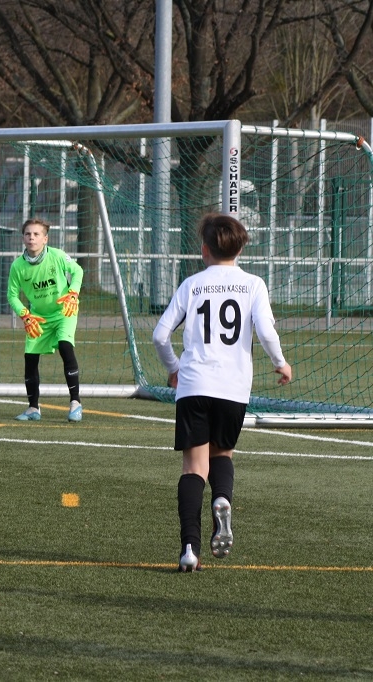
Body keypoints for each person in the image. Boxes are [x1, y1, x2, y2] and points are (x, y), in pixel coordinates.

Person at [152, 213, 292, 572]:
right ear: (240, 249)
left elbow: (160, 334)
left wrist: (174, 368)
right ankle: (223, 499)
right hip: (233, 388)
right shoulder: (253, 284)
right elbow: (266, 331)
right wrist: (280, 362)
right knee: (222, 454)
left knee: (193, 467)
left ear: (204, 250)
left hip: (194, 385)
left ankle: (189, 549)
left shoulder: (192, 284)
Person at [6, 218, 84, 422]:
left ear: (45, 239)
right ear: (23, 238)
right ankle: (33, 408)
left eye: (36, 234)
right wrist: (25, 314)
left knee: (65, 346)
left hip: (64, 311)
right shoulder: (17, 266)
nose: (31, 237)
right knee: (30, 358)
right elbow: (12, 295)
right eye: (27, 234)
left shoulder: (57, 256)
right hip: (37, 318)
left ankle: (75, 403)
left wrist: (73, 293)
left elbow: (78, 271)